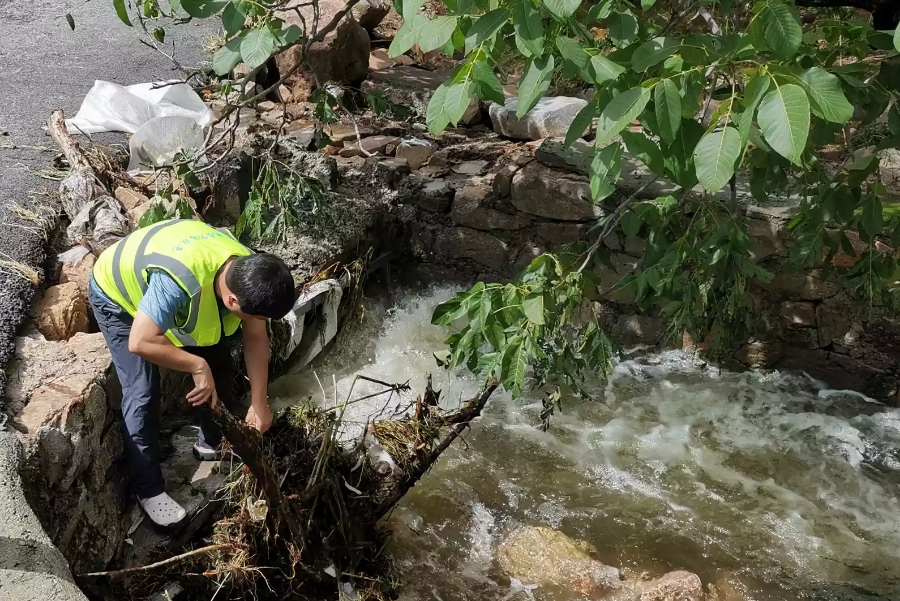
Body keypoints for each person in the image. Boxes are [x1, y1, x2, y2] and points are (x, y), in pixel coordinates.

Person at [88, 218, 296, 528]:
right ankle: (149, 491)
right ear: (233, 301)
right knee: (142, 390)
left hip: (171, 280)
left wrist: (259, 402)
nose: (258, 322)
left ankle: (211, 444)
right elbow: (140, 341)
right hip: (117, 292)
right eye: (255, 316)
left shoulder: (248, 272)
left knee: (220, 364)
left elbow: (256, 338)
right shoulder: (179, 282)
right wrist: (196, 366)